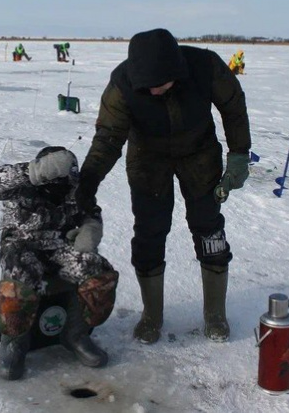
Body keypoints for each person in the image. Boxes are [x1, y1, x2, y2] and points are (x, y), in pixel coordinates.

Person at [74, 28, 251, 344]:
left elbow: (233, 107)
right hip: (147, 157)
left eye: (160, 86)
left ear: (177, 72)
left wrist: (238, 153)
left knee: (208, 226)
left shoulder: (205, 66)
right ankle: (151, 315)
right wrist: (86, 183)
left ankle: (215, 314)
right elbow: (108, 139)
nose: (154, 92)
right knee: (149, 231)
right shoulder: (122, 84)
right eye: (148, 88)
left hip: (199, 153)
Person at [0, 146, 119, 380]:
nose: (59, 182)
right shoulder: (23, 184)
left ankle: (76, 334)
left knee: (97, 271)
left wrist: (90, 230)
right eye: (53, 173)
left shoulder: (76, 189)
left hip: (59, 247)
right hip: (20, 246)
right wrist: (34, 171)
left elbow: (91, 212)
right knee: (19, 278)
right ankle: (14, 343)